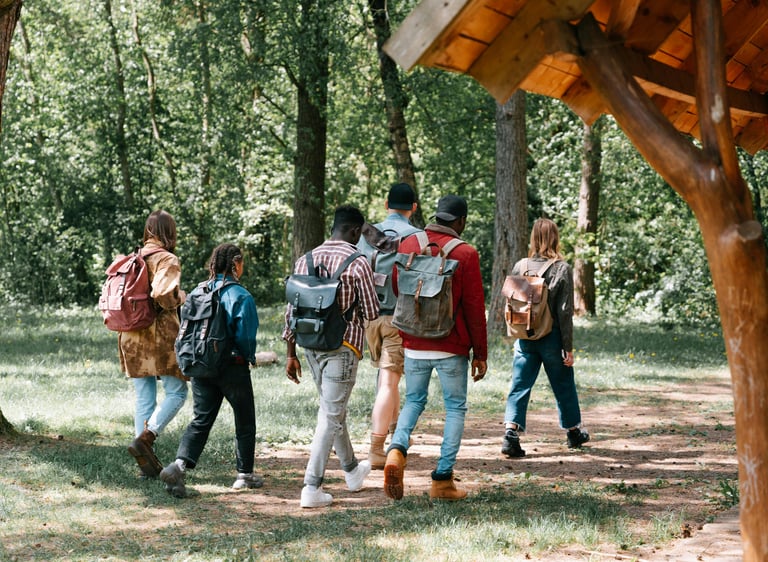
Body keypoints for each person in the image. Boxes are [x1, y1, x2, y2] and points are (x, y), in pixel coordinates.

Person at [383, 194, 488, 501]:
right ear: (460, 222)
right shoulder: (466, 253)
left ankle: (396, 449)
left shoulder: (409, 244)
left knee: (414, 400)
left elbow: (396, 286)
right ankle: (442, 480)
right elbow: (473, 306)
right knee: (455, 407)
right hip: (450, 344)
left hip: (414, 341)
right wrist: (480, 353)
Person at [283, 205, 380, 508]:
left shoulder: (305, 259)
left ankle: (351, 471)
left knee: (333, 412)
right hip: (343, 347)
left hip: (310, 346)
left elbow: (292, 312)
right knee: (330, 415)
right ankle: (312, 486)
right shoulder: (358, 262)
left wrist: (290, 354)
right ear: (354, 231)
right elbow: (372, 311)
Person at [159, 243, 262, 498]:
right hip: (231, 367)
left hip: (200, 365)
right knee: (244, 417)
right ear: (236, 263)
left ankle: (179, 466)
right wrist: (247, 356)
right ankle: (244, 475)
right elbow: (246, 336)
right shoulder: (240, 295)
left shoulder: (197, 291)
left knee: (201, 419)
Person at [501, 218, 589, 458]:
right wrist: (568, 347)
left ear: (533, 238)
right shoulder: (561, 268)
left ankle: (510, 434)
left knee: (519, 385)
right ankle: (573, 431)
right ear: (555, 238)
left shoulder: (521, 266)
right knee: (563, 384)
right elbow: (564, 311)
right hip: (551, 337)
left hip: (525, 337)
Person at [358, 183, 423, 469]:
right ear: (414, 208)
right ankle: (375, 447)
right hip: (399, 318)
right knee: (389, 382)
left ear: (386, 204)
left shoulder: (366, 236)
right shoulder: (418, 236)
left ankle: (397, 437)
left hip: (369, 317)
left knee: (389, 381)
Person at [121, 210, 188, 479]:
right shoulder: (166, 259)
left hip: (130, 335)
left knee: (144, 397)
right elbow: (162, 294)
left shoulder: (130, 259)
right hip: (158, 335)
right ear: (169, 232)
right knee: (177, 391)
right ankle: (147, 438)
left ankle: (144, 464)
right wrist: (180, 298)